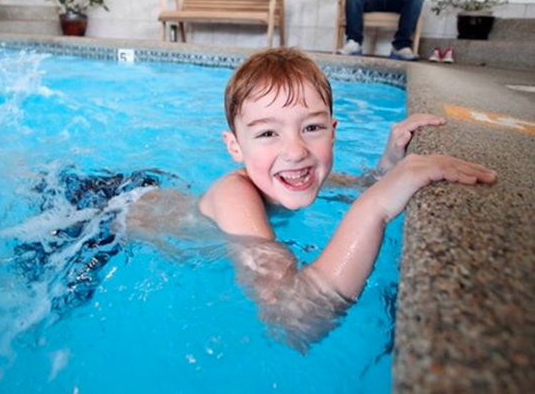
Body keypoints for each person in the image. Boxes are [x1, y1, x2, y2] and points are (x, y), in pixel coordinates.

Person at [198, 48, 495, 347]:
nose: (296, 151)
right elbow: (290, 318)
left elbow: (364, 185)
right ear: (235, 146)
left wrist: (391, 162)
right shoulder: (233, 194)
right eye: (267, 134)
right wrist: (373, 209)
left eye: (312, 127)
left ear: (332, 131)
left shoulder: (298, 175)